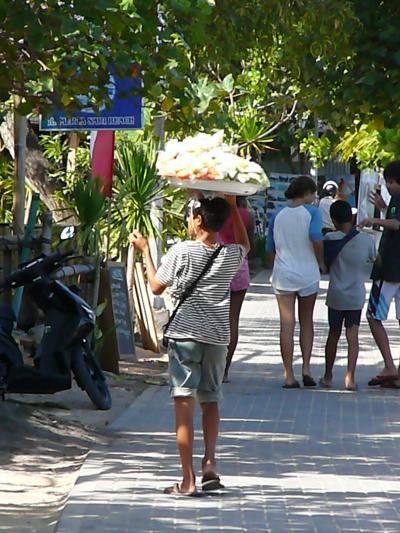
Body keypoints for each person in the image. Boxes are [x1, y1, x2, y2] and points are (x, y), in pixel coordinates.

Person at [129, 195, 249, 496]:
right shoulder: (231, 253)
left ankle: (188, 479)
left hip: (185, 336)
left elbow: (156, 286)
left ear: (198, 220)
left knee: (184, 403)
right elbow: (247, 245)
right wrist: (233, 207)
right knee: (211, 400)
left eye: (191, 216)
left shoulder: (182, 251)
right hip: (218, 338)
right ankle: (210, 461)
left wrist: (145, 250)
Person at [266, 175, 326, 388]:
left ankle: (288, 375)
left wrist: (276, 266)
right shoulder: (312, 212)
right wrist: (321, 261)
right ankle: (307, 368)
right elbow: (316, 237)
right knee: (307, 321)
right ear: (307, 193)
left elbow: (270, 248)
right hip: (308, 272)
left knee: (286, 325)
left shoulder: (277, 215)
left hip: (283, 275)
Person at [319, 201, 376, 390]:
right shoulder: (366, 240)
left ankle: (327, 376)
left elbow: (324, 264)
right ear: (351, 218)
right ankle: (350, 378)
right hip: (355, 295)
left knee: (333, 334)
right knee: (353, 336)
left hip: (336, 295)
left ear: (334, 220)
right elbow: (376, 259)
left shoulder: (329, 239)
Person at [359, 160, 400, 387]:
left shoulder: (398, 198)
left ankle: (389, 364)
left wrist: (375, 219)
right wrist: (384, 208)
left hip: (390, 267)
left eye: (391, 182)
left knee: (373, 316)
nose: (389, 186)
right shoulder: (394, 201)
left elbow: (396, 223)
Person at [218, 196, 254, 383]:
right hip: (239, 265)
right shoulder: (247, 215)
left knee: (214, 317)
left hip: (216, 265)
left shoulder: (215, 213)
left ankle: (212, 366)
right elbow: (251, 246)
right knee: (233, 320)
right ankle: (225, 369)